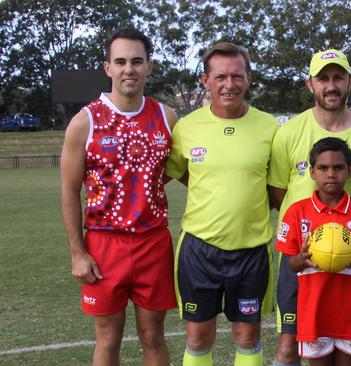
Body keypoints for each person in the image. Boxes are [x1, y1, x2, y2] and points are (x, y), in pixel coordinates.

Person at [60, 28, 178, 365]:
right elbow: (69, 190)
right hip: (104, 245)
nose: (130, 68)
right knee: (108, 339)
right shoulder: (85, 122)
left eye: (137, 61)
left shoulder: (166, 117)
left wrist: (142, 187)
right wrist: (77, 253)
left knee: (153, 337)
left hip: (153, 243)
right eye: (121, 61)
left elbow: (179, 170)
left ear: (149, 67)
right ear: (107, 67)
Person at [268, 49, 351, 366]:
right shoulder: (288, 133)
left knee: (341, 349)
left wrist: (338, 238)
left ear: (349, 82)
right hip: (299, 256)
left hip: (345, 260)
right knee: (287, 347)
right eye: (323, 78)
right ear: (310, 84)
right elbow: (279, 192)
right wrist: (310, 225)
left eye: (338, 77)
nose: (331, 85)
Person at [165, 42, 278, 366]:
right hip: (199, 250)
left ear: (249, 78)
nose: (229, 84)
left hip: (252, 250)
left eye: (237, 76)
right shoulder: (186, 128)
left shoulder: (268, 126)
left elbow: (277, 186)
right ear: (205, 80)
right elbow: (174, 174)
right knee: (198, 338)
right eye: (220, 77)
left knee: (248, 338)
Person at [275, 137, 351, 366]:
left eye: (338, 168)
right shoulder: (298, 212)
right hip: (314, 312)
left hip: (349, 312)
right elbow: (290, 264)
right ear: (313, 173)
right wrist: (302, 258)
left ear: (349, 171)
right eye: (323, 168)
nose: (331, 174)